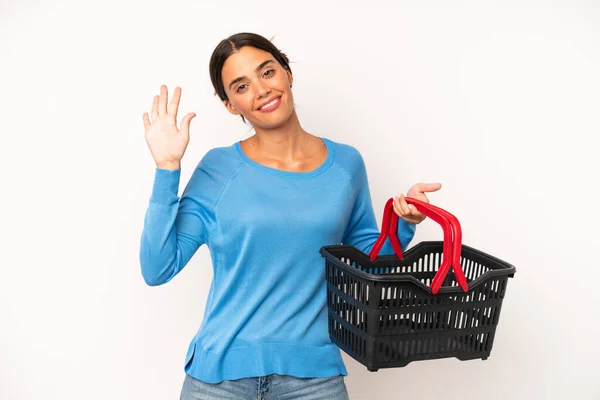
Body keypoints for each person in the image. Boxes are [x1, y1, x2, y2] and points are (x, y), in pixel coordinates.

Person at [140, 32, 442, 400]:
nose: (261, 90)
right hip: (218, 382)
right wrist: (167, 167)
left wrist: (404, 222)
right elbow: (158, 268)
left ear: (287, 72)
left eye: (267, 72)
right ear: (231, 105)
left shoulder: (346, 165)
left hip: (313, 381)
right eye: (241, 86)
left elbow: (371, 266)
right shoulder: (217, 169)